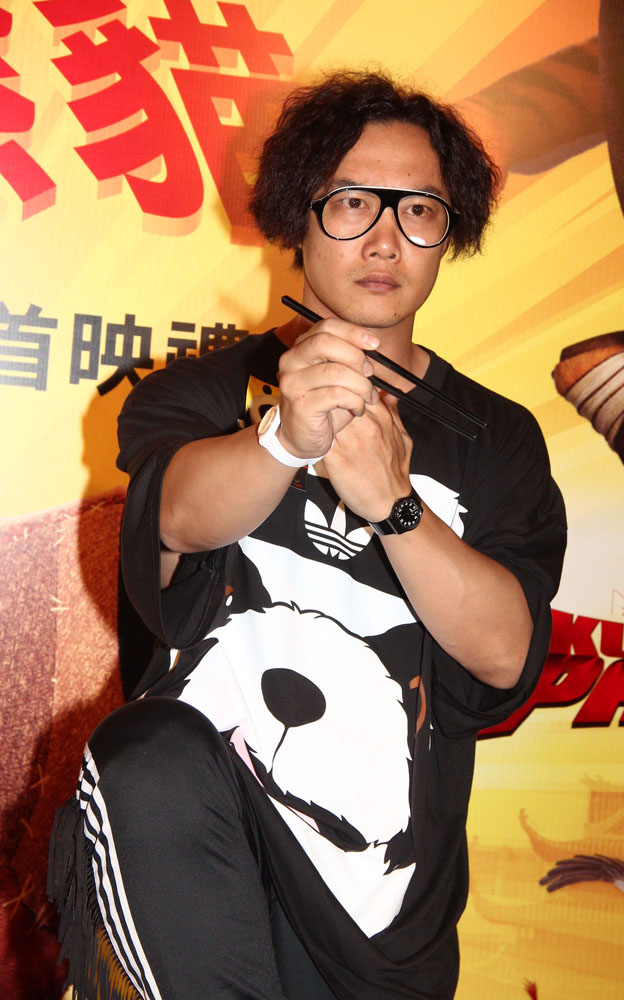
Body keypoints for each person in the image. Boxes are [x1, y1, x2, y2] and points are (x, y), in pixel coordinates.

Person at [48, 71, 566, 1000]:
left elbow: (503, 653)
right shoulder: (204, 392)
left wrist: (395, 504)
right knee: (148, 749)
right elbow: (173, 518)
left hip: (383, 911)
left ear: (449, 234)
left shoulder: (496, 438)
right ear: (299, 213)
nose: (384, 239)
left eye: (419, 211)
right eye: (352, 203)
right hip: (197, 844)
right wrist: (283, 439)